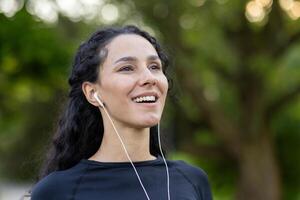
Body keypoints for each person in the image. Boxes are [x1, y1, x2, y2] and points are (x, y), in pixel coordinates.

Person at [30, 25, 212, 200]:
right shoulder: (56, 191)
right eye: (127, 68)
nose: (149, 78)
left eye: (154, 67)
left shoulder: (192, 180)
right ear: (92, 93)